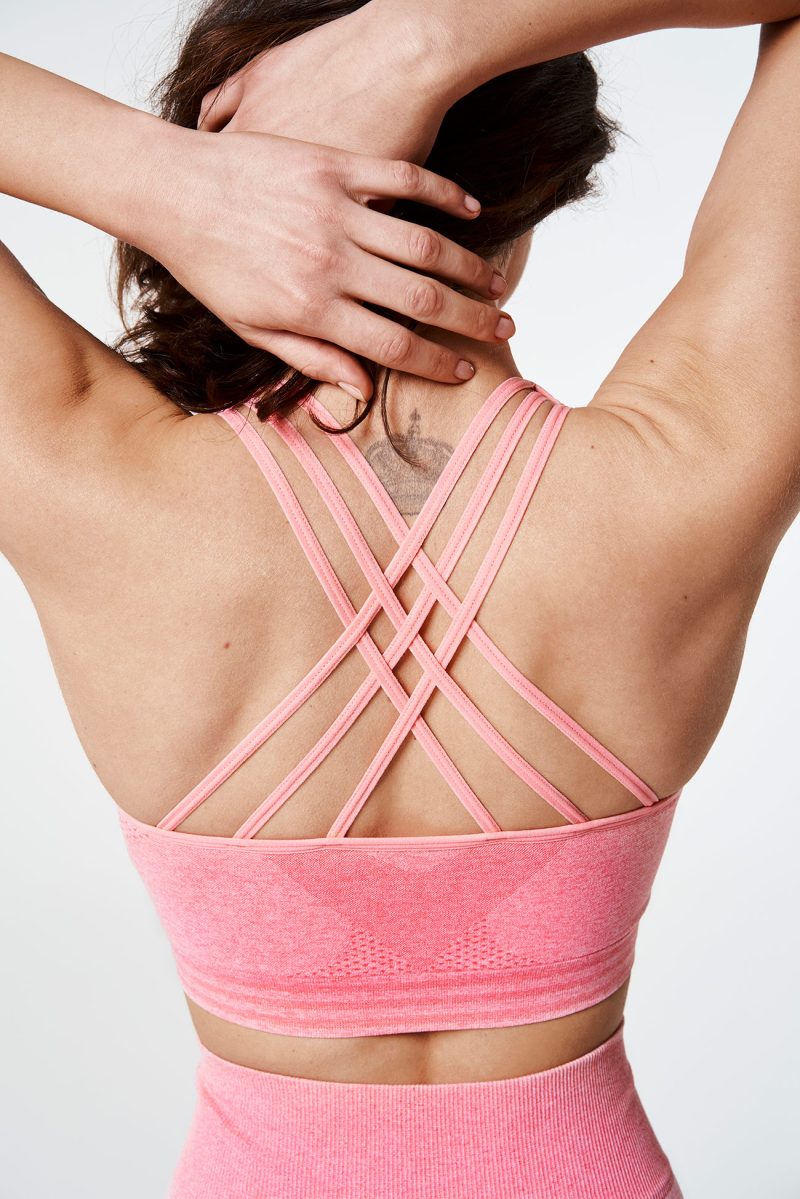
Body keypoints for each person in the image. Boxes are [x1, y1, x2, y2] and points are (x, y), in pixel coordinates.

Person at [1, 0, 799, 1195]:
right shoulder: (693, 468)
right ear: (536, 193)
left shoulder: (82, 474)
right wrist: (432, 36)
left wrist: (165, 182)